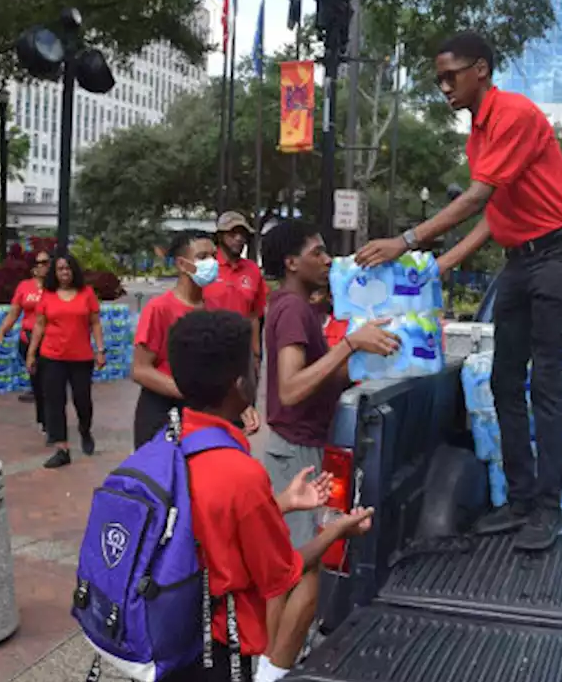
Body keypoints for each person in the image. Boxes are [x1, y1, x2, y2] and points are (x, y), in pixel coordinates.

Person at [357, 31, 562, 552]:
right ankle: (521, 500)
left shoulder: (513, 115)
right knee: (506, 381)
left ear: (480, 69)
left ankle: (548, 510)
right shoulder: (479, 133)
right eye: (438, 78)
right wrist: (439, 264)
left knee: (544, 381)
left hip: (557, 257)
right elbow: (495, 212)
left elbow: (477, 197)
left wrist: (407, 241)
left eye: (451, 74)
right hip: (522, 260)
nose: (444, 86)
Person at [157, 308, 374, 682]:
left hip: (169, 633)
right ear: (240, 382)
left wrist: (280, 503)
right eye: (255, 363)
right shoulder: (239, 471)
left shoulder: (168, 442)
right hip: (216, 648)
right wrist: (338, 528)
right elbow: (285, 572)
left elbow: (207, 524)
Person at [261, 220, 398, 549]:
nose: (328, 260)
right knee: (301, 559)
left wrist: (368, 360)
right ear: (291, 263)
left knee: (312, 555)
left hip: (305, 444)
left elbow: (319, 375)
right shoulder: (293, 309)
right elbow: (291, 388)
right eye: (317, 253)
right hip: (295, 450)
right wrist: (349, 345)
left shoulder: (300, 307)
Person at [131, 230, 261, 449]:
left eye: (213, 256)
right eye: (202, 257)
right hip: (163, 411)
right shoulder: (159, 309)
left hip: (202, 414)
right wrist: (190, 390)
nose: (211, 263)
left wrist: (239, 403)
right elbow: (140, 370)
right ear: (182, 264)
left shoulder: (213, 309)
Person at [26, 252, 105, 469]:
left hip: (81, 357)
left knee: (83, 400)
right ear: (54, 272)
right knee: (54, 402)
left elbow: (95, 323)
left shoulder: (86, 293)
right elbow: (40, 325)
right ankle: (62, 448)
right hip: (52, 356)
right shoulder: (48, 295)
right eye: (60, 269)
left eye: (68, 268)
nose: (64, 273)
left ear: (74, 271)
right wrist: (32, 353)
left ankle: (85, 429)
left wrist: (100, 350)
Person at [0, 251, 50, 431]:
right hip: (28, 340)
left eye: (47, 262)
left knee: (51, 382)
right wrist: (1, 333)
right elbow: (14, 313)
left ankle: (52, 422)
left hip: (51, 340)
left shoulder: (56, 288)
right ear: (33, 268)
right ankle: (44, 419)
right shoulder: (24, 287)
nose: (45, 266)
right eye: (41, 263)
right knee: (37, 382)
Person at [204, 211, 270, 365]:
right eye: (233, 233)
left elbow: (255, 316)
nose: (239, 238)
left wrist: (256, 355)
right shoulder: (205, 267)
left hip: (241, 353)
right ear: (220, 236)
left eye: (243, 234)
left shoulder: (253, 270)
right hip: (208, 350)